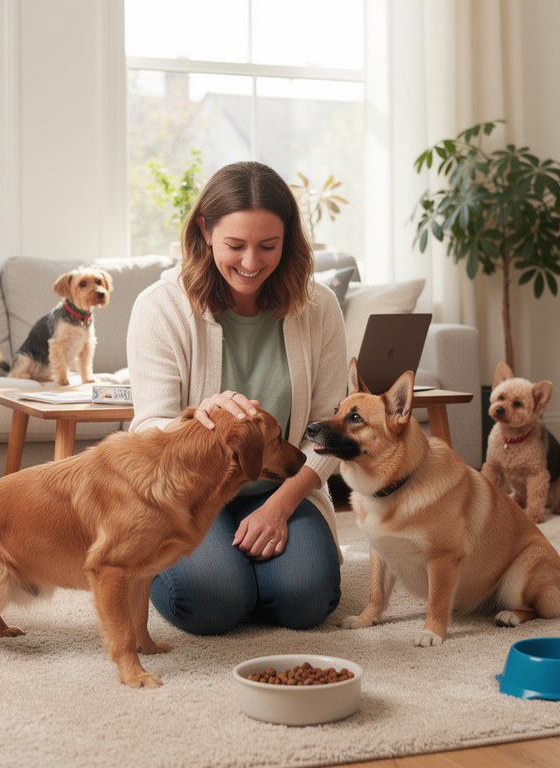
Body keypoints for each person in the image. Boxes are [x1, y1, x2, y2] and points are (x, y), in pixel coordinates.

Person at [126, 160, 348, 635]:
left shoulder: (319, 307)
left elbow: (331, 429)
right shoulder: (160, 307)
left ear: (288, 238)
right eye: (235, 246)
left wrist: (282, 506)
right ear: (205, 231)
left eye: (268, 246)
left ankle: (256, 575)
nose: (251, 263)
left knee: (308, 602)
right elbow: (147, 428)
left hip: (277, 488)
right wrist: (193, 418)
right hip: (187, 495)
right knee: (209, 603)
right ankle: (237, 580)